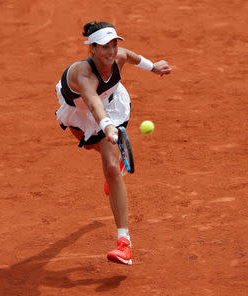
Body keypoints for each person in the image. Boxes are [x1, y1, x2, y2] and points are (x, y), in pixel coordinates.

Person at [55, 21, 172, 265]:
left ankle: (124, 243)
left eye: (113, 45)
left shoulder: (118, 56)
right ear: (92, 49)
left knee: (109, 168)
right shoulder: (83, 74)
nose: (111, 51)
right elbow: (92, 103)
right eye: (104, 47)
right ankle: (115, 156)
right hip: (82, 110)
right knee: (89, 145)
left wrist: (154, 67)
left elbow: (131, 56)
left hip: (111, 104)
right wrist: (107, 126)